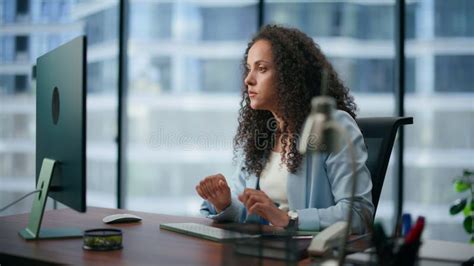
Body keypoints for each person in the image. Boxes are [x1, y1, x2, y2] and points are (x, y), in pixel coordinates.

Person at [195, 25, 374, 234]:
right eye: (248, 68)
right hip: (264, 251)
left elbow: (359, 213)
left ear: (290, 76)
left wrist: (289, 219)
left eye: (261, 69)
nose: (248, 79)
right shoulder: (262, 132)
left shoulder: (331, 126)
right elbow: (249, 212)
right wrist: (224, 203)